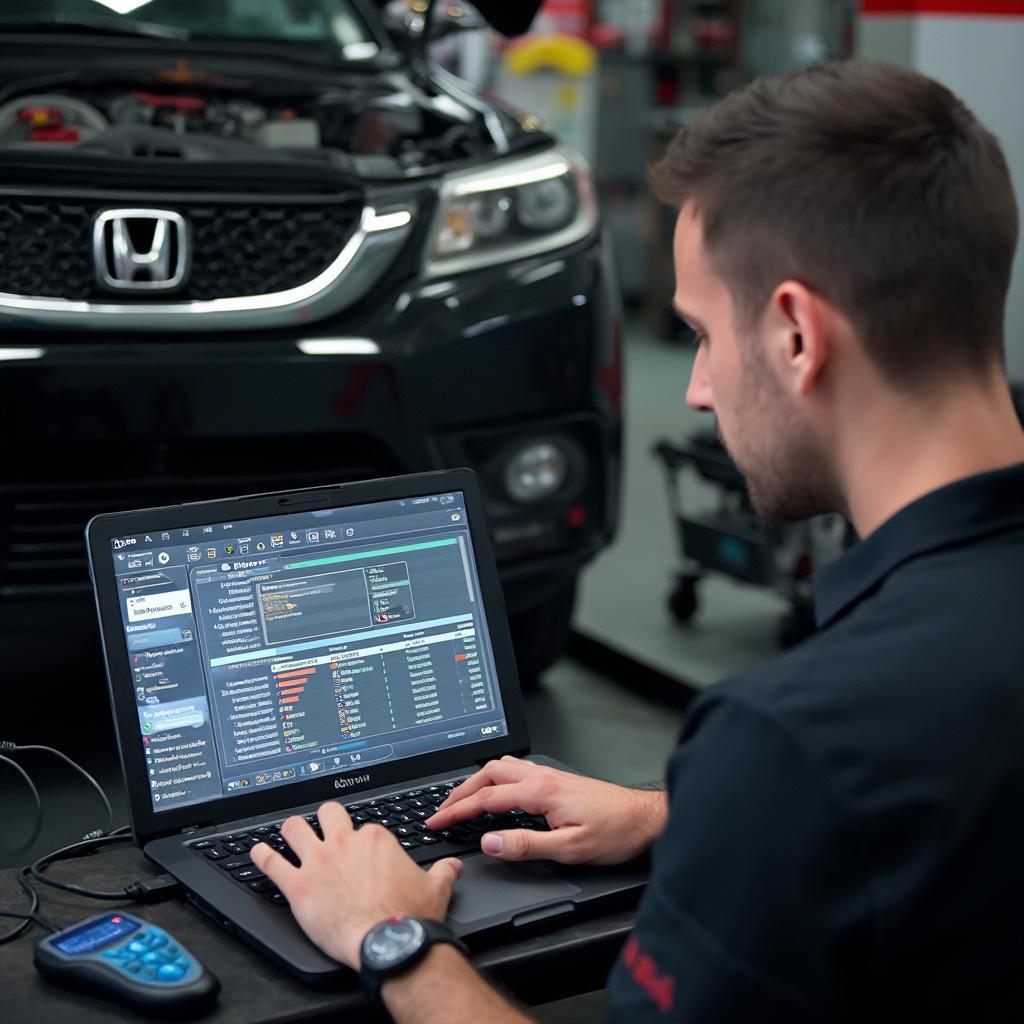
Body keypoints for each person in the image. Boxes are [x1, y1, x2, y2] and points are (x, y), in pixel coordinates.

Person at [251, 59, 1024, 1021]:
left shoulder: (797, 739)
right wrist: (688, 818)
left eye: (702, 333)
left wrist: (395, 939)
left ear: (795, 335)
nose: (696, 389)